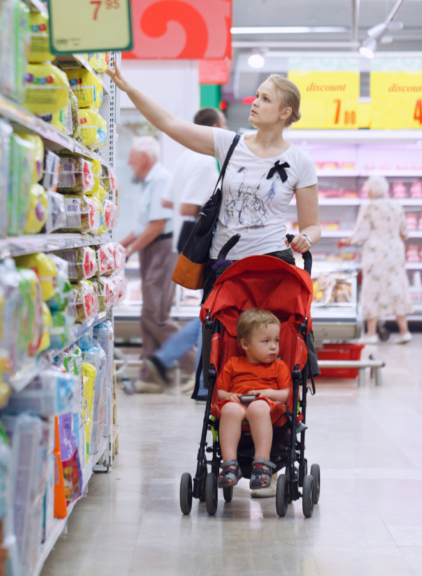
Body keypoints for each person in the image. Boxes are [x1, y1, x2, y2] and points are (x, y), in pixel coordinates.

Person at [108, 68, 321, 496]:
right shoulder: (230, 143)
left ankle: (270, 456)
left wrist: (306, 238)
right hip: (227, 272)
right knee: (226, 355)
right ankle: (228, 453)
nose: (254, 102)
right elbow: (170, 124)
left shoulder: (300, 161)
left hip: (274, 271)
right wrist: (129, 87)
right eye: (255, 95)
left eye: (264, 98)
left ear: (285, 112)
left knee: (274, 353)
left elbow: (313, 225)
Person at [145, 108, 227, 397]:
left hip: (185, 238)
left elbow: (168, 201)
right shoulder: (205, 160)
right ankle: (196, 378)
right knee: (215, 307)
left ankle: (178, 365)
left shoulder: (184, 158)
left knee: (212, 306)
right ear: (215, 127)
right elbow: (188, 206)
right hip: (201, 241)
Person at [120, 136, 191, 393]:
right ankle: (150, 378)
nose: (129, 162)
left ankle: (196, 364)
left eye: (132, 157)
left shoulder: (160, 179)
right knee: (148, 314)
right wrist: (120, 246)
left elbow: (158, 225)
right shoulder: (150, 181)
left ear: (145, 158)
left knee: (156, 314)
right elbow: (143, 226)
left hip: (162, 248)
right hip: (152, 247)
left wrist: (129, 250)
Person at [214, 309, 292, 491]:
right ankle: (230, 465)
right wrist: (229, 396)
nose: (273, 346)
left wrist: (269, 393)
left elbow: (287, 394)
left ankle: (262, 463)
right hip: (238, 403)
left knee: (258, 407)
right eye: (266, 341)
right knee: (228, 410)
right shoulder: (233, 364)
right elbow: (219, 392)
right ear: (245, 344)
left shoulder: (279, 366)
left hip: (267, 407)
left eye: (276, 340)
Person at [339, 175, 413, 345]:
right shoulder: (396, 205)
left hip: (376, 252)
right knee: (397, 287)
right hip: (395, 251)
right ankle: (405, 331)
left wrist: (347, 241)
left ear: (371, 191)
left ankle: (371, 333)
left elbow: (361, 234)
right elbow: (404, 233)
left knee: (372, 289)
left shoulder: (369, 207)